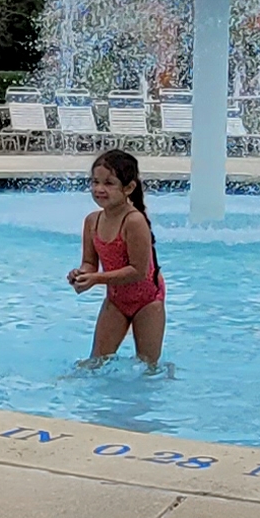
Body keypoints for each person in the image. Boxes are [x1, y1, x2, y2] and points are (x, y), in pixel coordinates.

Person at [67, 150, 166, 369]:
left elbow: (138, 271)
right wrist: (81, 273)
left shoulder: (134, 222)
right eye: (95, 182)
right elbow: (89, 263)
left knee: (148, 366)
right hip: (116, 299)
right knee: (96, 361)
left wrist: (96, 278)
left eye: (109, 183)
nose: (99, 189)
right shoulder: (92, 221)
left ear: (128, 188)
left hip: (148, 300)